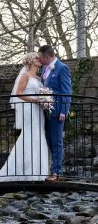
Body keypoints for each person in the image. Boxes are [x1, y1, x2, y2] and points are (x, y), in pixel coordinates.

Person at [0, 52, 49, 183]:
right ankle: (27, 171)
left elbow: (41, 93)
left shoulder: (38, 78)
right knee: (30, 136)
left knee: (38, 136)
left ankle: (38, 170)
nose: (39, 59)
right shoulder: (25, 75)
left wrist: (45, 99)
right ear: (30, 61)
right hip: (29, 109)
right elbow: (18, 94)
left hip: (38, 110)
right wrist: (36, 100)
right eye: (36, 58)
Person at [38, 45, 72, 182]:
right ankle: (53, 169)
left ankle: (57, 172)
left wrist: (64, 110)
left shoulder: (62, 68)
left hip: (58, 111)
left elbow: (66, 91)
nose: (39, 59)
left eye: (41, 56)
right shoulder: (45, 68)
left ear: (47, 56)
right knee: (49, 140)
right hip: (46, 111)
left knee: (56, 141)